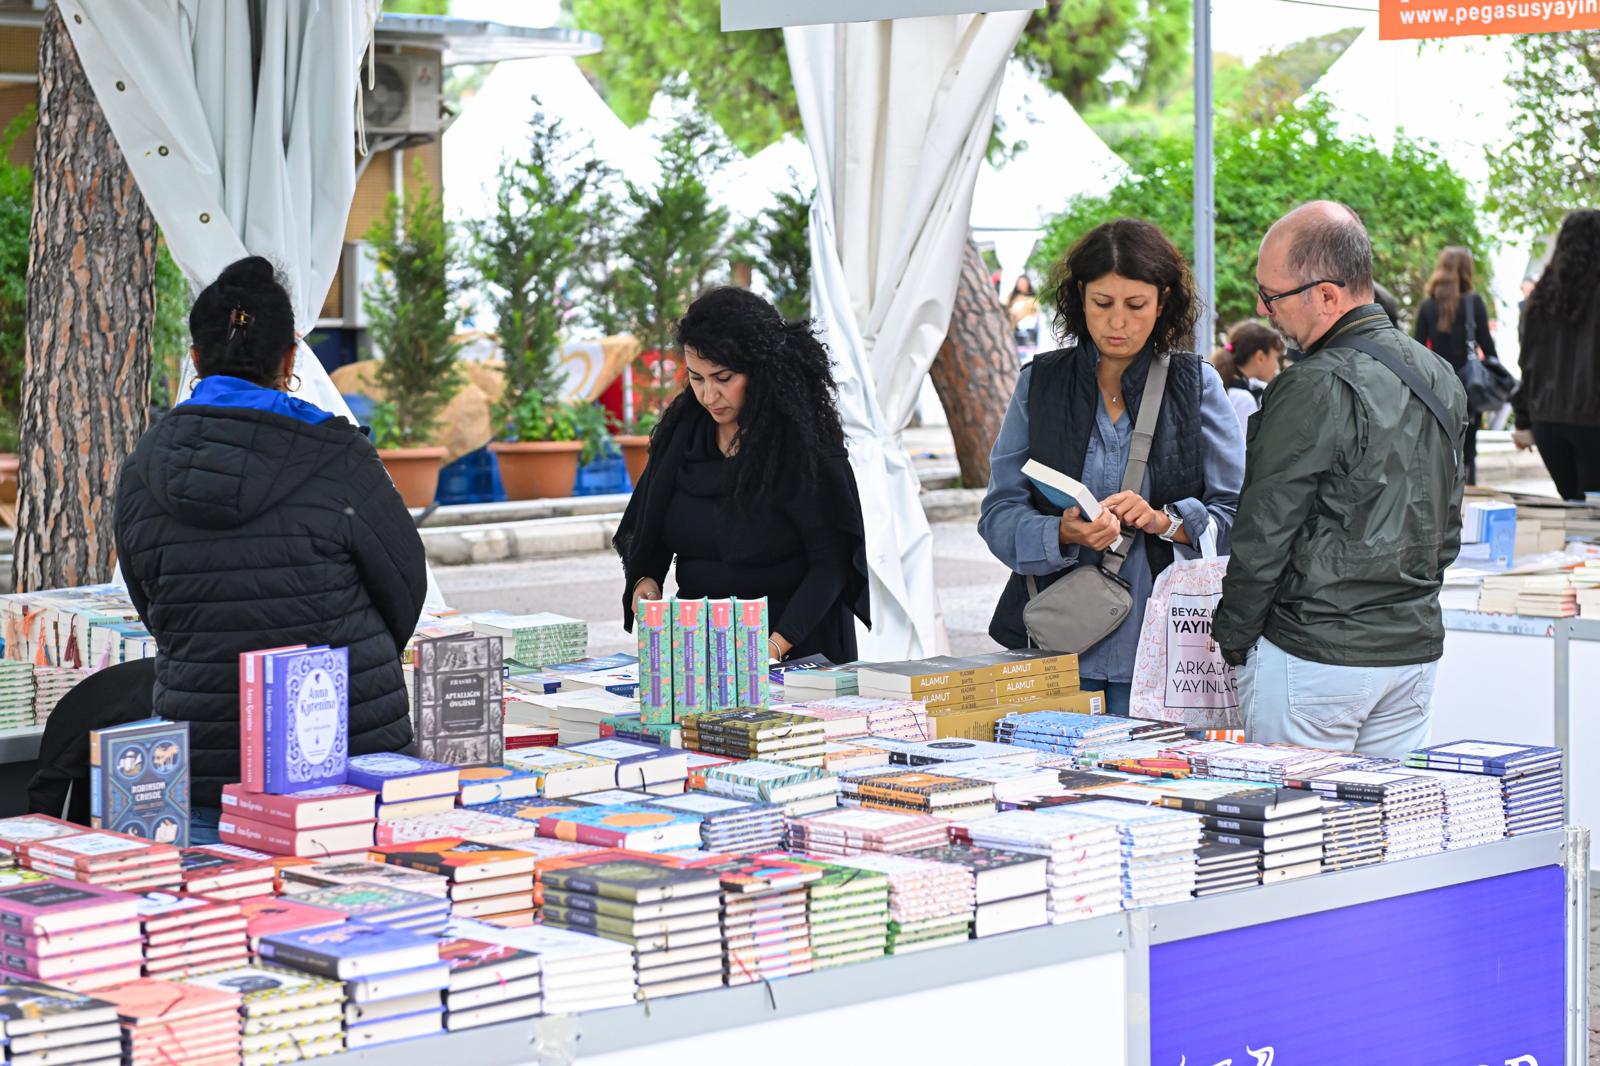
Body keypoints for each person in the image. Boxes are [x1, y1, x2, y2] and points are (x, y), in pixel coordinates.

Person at [114, 257, 427, 842]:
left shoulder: (142, 467)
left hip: (207, 762)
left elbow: (150, 603)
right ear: (290, 360)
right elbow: (405, 590)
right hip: (344, 760)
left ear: (196, 360)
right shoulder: (338, 457)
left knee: (220, 924)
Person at [1213, 202, 1467, 758]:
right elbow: (1448, 527)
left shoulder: (1310, 385)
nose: (1262, 309)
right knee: (1388, 837)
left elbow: (1264, 534)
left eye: (1272, 296)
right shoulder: (1437, 375)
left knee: (1296, 835)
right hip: (1410, 653)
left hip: (1315, 654)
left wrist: (1232, 639)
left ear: (1327, 296)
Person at [980, 219, 1245, 714]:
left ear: (1163, 301)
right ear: (1080, 297)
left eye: (1136, 306)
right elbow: (998, 514)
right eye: (1103, 304)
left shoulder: (1197, 385)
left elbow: (1239, 517)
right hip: (1055, 651)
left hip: (1167, 658)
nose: (1117, 323)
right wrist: (1060, 533)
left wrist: (1166, 522)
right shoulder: (1041, 383)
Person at [614, 287, 870, 664]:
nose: (708, 395)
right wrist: (645, 581)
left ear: (762, 369)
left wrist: (772, 647)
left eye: (723, 377)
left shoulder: (804, 446)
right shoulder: (682, 436)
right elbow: (648, 528)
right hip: (702, 646)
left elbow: (830, 566)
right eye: (696, 378)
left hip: (798, 647)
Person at [1512, 209, 1600, 500]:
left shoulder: (1539, 300)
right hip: (1592, 419)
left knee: (1575, 511)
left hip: (1547, 420)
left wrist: (1523, 418)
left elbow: (1527, 363)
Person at [1414, 246, 1499, 483]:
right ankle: (1466, 491)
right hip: (1469, 389)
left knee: (1437, 445)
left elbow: (1416, 348)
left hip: (1436, 388)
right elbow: (1489, 349)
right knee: (1468, 448)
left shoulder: (1428, 306)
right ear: (1466, 270)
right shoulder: (1473, 302)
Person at [1210, 321, 1284, 434]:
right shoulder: (1243, 399)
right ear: (1260, 358)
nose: (1277, 366)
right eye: (1275, 358)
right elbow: (1244, 450)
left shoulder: (1227, 386)